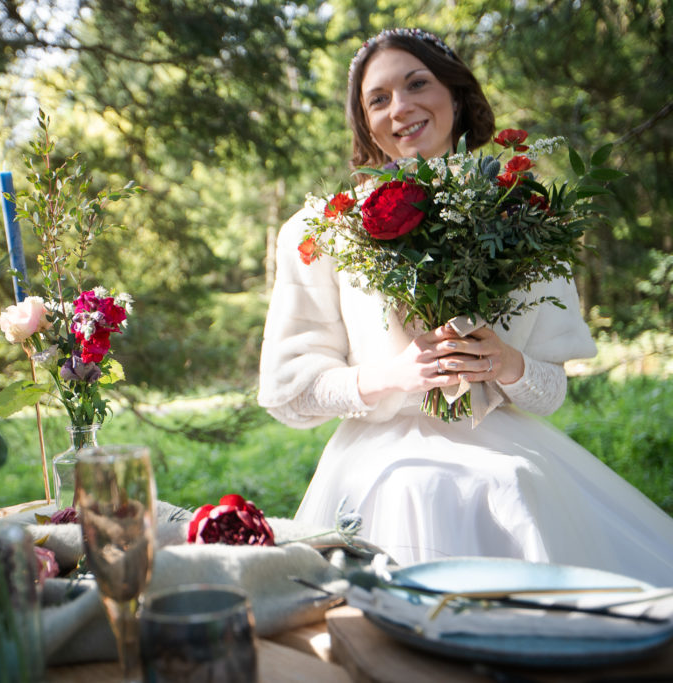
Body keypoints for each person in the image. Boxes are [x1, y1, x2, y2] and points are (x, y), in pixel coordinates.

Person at [258, 27, 673, 585]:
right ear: (365, 123)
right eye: (377, 99)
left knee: (513, 486)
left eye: (416, 84)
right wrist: (394, 376)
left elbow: (550, 389)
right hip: (380, 455)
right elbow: (290, 394)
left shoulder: (523, 213)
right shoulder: (322, 230)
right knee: (421, 486)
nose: (400, 107)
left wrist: (506, 364)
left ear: (455, 95)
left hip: (503, 444)